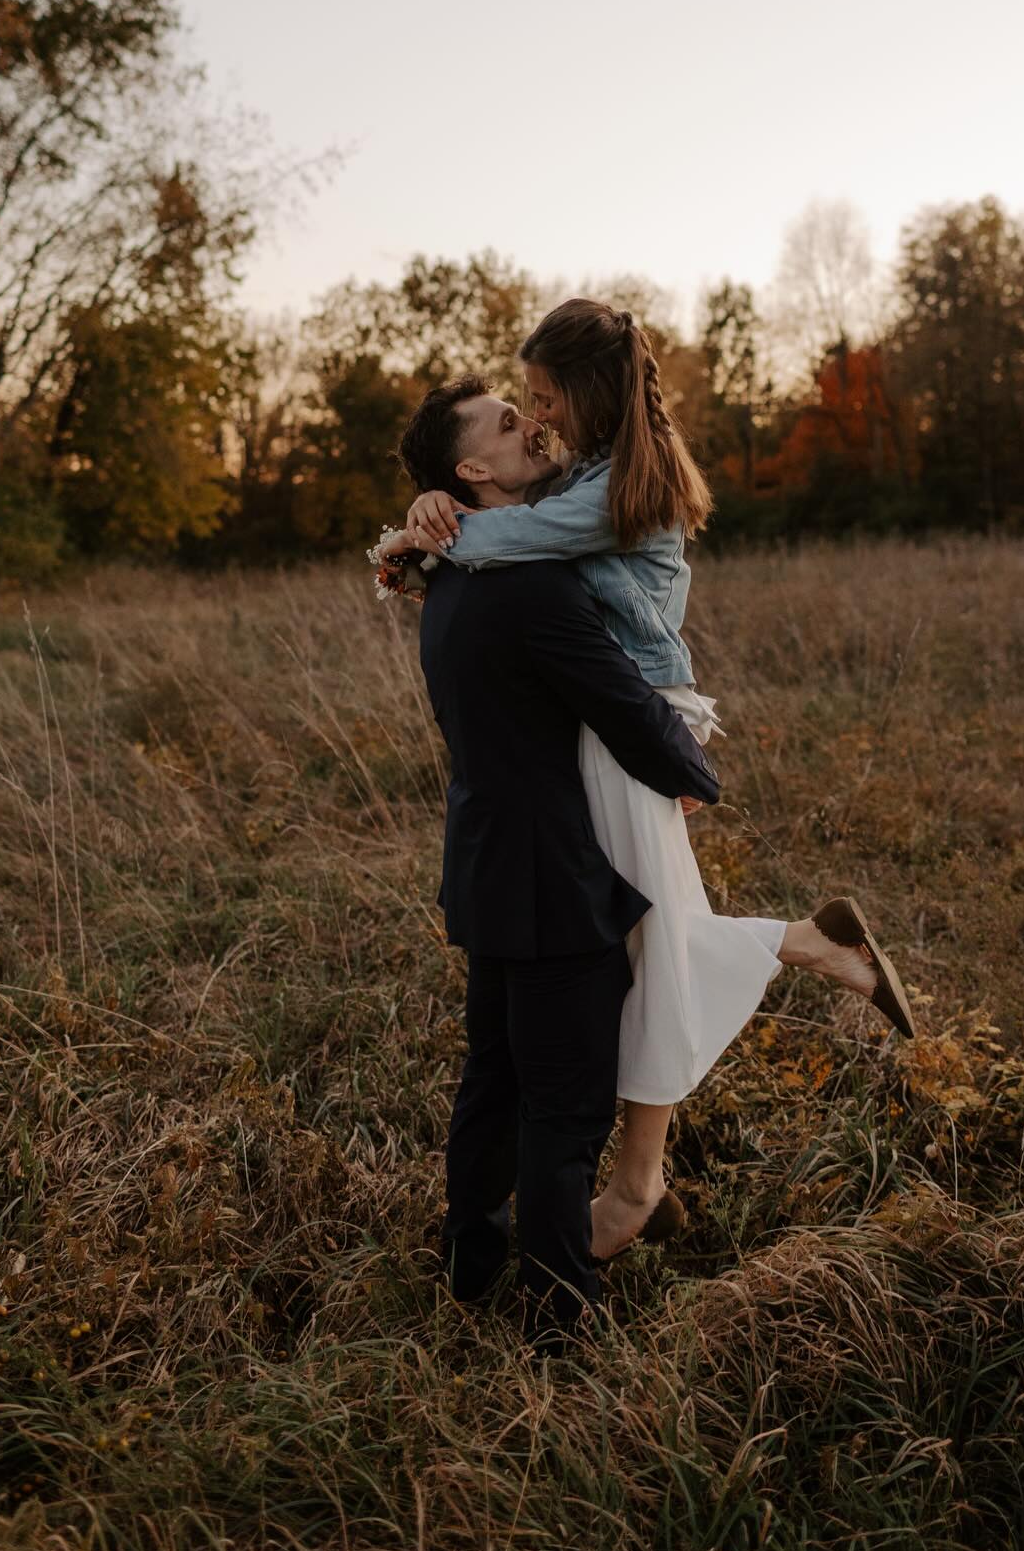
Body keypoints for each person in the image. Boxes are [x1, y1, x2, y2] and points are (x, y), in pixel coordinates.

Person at [384, 301, 917, 1266]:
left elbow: (506, 548)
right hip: (610, 730)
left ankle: (636, 1183)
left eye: (540, 400)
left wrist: (421, 530)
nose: (536, 418)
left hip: (629, 729)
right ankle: (793, 960)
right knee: (644, 940)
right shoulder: (587, 470)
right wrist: (434, 515)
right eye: (521, 409)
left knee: (651, 945)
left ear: (586, 393)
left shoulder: (621, 483)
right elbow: (509, 544)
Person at [394, 378, 723, 1353]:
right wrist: (695, 772)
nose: (528, 425)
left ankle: (470, 1259)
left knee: (492, 1077)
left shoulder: (449, 578)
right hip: (552, 885)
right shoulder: (529, 587)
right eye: (506, 423)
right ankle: (560, 1328)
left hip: (487, 866)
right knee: (564, 1111)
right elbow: (624, 705)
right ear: (473, 473)